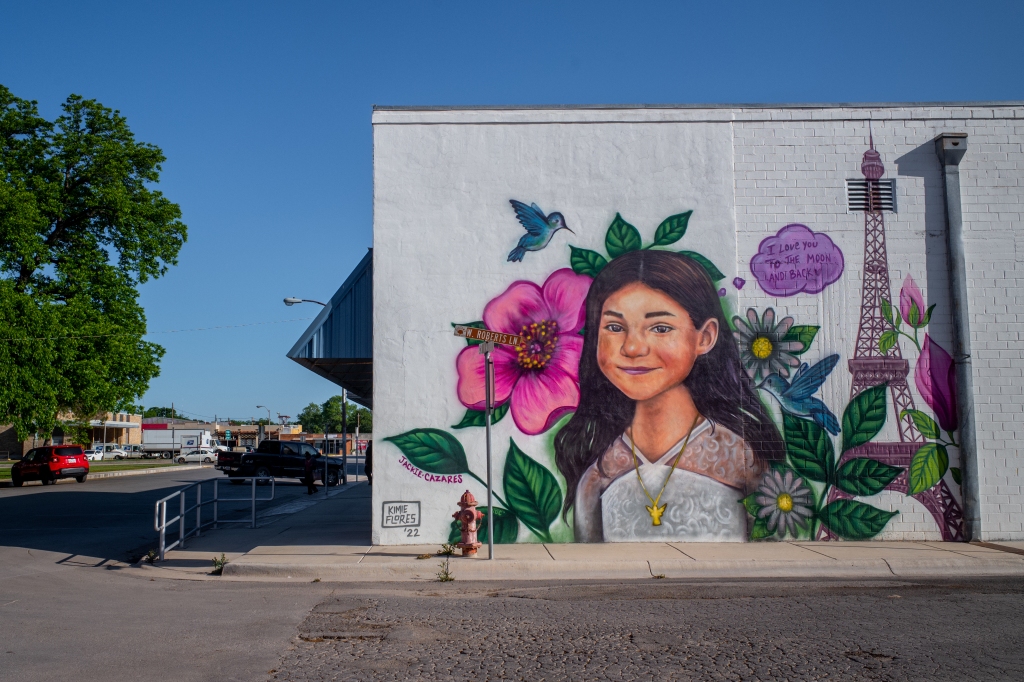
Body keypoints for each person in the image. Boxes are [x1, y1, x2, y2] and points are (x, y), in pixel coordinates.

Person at [555, 250, 784, 543]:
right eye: (614, 327)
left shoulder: (742, 459)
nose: (633, 348)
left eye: (660, 328)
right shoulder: (599, 472)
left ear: (705, 337)